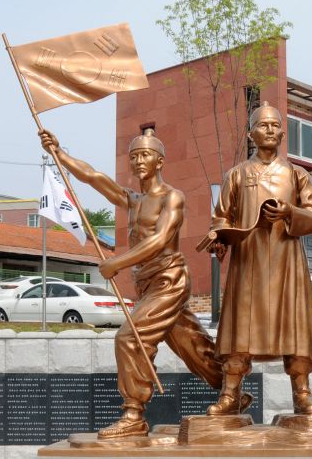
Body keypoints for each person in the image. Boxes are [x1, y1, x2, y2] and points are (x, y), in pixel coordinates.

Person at [39, 127, 231, 439]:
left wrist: (117, 262)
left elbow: (160, 239)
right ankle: (231, 389)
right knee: (192, 345)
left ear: (160, 161)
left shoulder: (172, 197)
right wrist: (59, 154)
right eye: (134, 156)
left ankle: (133, 414)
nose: (138, 161)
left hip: (169, 280)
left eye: (145, 155)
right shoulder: (133, 199)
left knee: (129, 339)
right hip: (147, 284)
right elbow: (94, 177)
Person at [204, 102, 312, 416]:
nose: (270, 130)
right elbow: (221, 217)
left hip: (287, 260)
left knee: (294, 327)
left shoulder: (297, 174)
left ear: (282, 133)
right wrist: (219, 238)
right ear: (251, 134)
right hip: (248, 259)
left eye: (275, 125)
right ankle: (230, 393)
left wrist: (290, 212)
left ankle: (302, 393)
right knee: (240, 327)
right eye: (263, 125)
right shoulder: (236, 175)